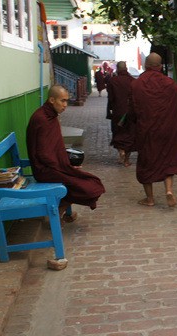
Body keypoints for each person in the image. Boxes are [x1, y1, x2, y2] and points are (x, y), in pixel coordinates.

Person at [26, 85, 106, 220]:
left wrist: (67, 163)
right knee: (89, 187)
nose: (65, 105)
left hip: (55, 166)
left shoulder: (50, 115)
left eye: (67, 101)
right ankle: (56, 212)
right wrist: (65, 167)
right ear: (52, 100)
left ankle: (60, 210)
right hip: (44, 170)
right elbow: (43, 154)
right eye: (62, 101)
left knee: (89, 181)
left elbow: (54, 148)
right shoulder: (42, 118)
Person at [131, 52, 177, 207]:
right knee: (167, 160)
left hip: (147, 131)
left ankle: (150, 199)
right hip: (167, 131)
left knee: (146, 163)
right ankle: (168, 190)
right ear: (160, 66)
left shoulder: (137, 84)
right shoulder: (170, 84)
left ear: (146, 65)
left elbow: (134, 109)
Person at [107, 61, 136, 166]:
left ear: (118, 69)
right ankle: (126, 160)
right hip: (130, 113)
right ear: (126, 68)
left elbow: (110, 98)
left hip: (117, 112)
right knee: (129, 135)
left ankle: (121, 152)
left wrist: (110, 110)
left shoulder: (112, 81)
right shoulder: (133, 81)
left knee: (118, 133)